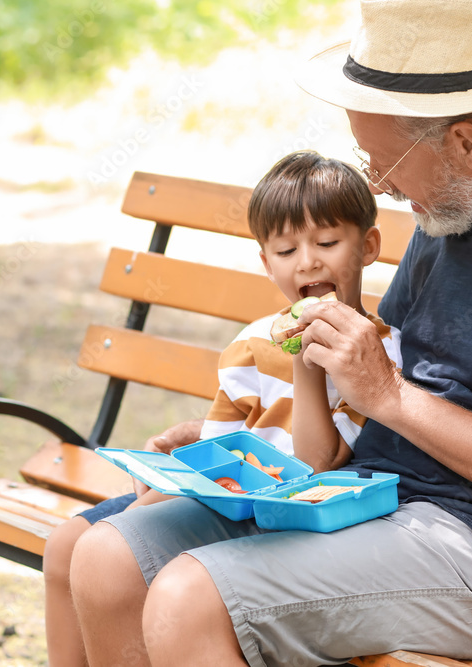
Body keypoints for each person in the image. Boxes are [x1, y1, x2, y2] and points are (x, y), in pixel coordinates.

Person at [67, 1, 472, 666]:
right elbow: (369, 383)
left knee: (190, 596)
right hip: (371, 496)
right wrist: (234, 438)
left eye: (385, 161)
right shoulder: (454, 207)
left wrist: (392, 397)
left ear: (467, 142)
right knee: (109, 561)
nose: (378, 186)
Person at [43, 150, 403, 666]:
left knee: (116, 561)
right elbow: (216, 459)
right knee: (68, 547)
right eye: (286, 250)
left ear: (367, 247)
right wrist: (139, 507)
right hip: (225, 499)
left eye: (327, 242)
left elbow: (318, 462)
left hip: (288, 520)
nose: (308, 262)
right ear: (265, 262)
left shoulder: (379, 353)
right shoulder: (252, 345)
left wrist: (305, 365)